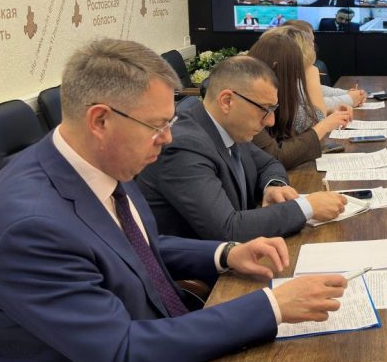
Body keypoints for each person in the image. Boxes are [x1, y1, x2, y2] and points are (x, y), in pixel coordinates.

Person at [0, 39, 347, 362]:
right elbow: (123, 354)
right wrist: (271, 306)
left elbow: (135, 245)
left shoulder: (98, 161)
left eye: (170, 123)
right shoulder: (30, 228)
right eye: (158, 127)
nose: (168, 139)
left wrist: (225, 253)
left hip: (158, 356)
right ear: (100, 121)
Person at [137, 55, 347, 241]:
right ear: (227, 101)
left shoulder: (229, 127)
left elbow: (269, 163)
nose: (271, 121)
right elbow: (228, 229)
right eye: (265, 109)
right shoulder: (184, 146)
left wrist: (273, 187)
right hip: (207, 269)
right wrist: (307, 207)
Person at [246, 29, 352, 169]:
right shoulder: (248, 102)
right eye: (296, 73)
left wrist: (329, 112)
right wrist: (324, 125)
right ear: (277, 68)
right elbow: (275, 157)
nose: (297, 80)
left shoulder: (274, 94)